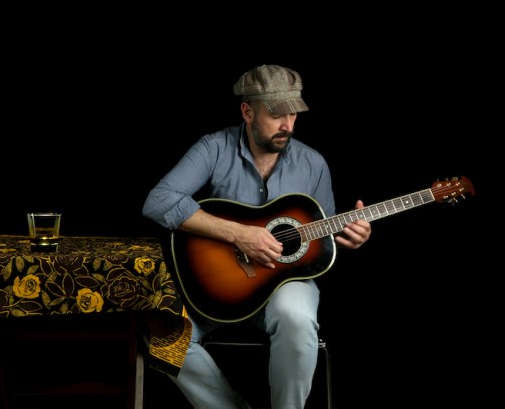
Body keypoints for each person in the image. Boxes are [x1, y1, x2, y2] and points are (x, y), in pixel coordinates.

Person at [142, 64, 372, 409]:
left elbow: (322, 236)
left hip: (285, 283)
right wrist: (238, 233)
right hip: (220, 286)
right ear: (247, 112)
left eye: (294, 114)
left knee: (297, 319)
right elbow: (159, 201)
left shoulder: (313, 164)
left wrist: (352, 234)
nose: (288, 125)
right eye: (276, 115)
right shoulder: (213, 148)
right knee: (163, 339)